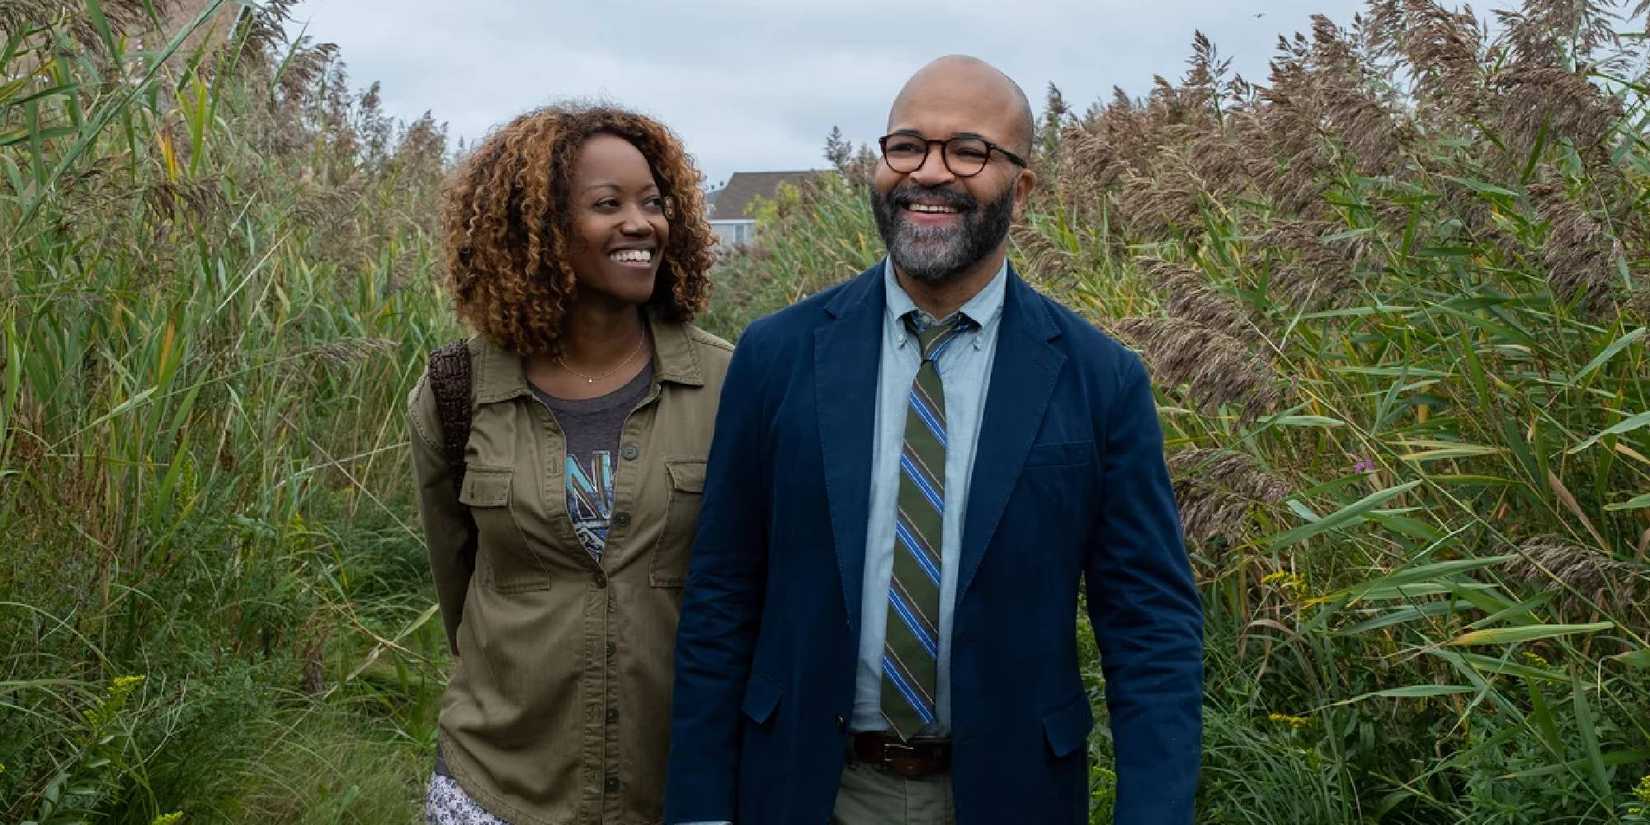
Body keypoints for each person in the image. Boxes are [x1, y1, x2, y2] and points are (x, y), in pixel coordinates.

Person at [664, 56, 1203, 825]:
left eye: (969, 151)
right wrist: (699, 810)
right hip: (809, 790)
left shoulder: (1098, 379)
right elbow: (721, 596)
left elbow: (1150, 629)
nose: (930, 173)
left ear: (1022, 187)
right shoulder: (776, 355)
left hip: (1012, 795)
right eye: (907, 146)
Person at [407, 103, 730, 825]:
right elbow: (459, 589)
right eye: (606, 205)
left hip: (675, 789)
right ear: (538, 229)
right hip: (496, 785)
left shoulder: (728, 387)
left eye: (653, 202)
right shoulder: (457, 391)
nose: (640, 224)